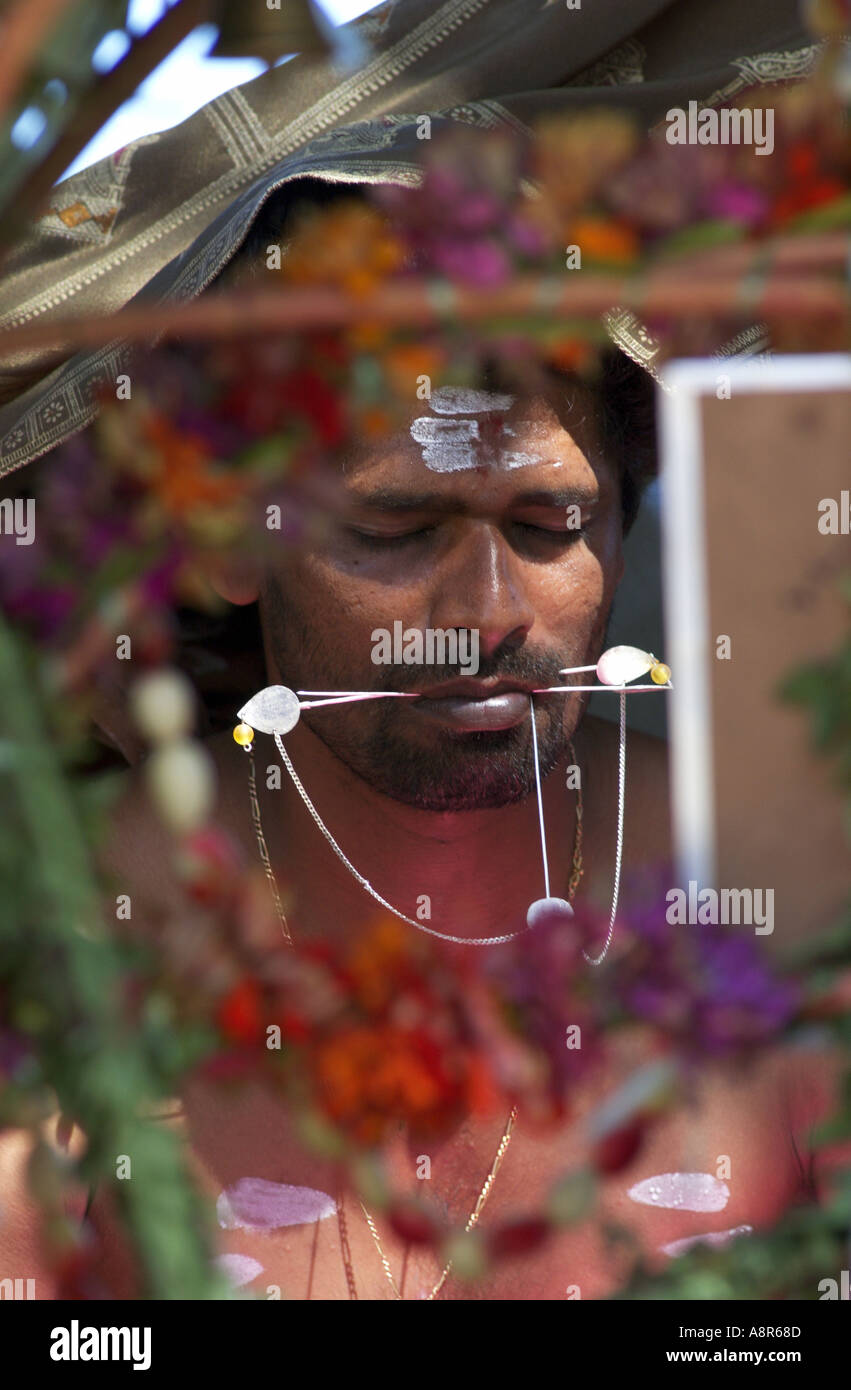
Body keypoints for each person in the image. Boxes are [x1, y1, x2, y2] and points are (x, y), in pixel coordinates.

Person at [0, 335, 839, 1302]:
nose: (486, 614)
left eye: (547, 525)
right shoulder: (70, 927)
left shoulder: (790, 893)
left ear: (619, 534)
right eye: (396, 528)